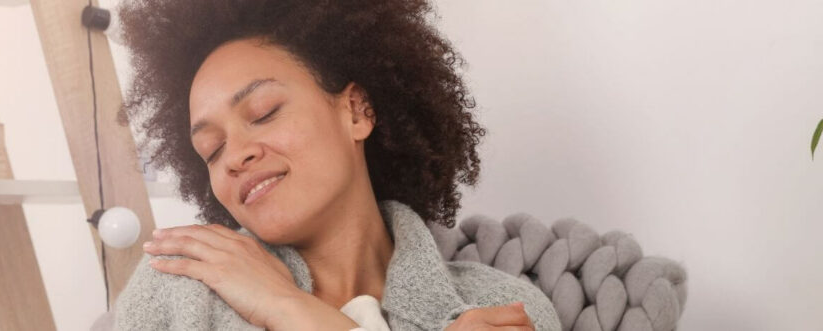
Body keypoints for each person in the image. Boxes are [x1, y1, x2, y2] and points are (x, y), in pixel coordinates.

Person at [112, 0, 560, 330]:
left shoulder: (503, 308)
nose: (234, 156)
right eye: (211, 149)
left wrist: (288, 308)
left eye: (264, 112)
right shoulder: (178, 285)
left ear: (356, 111)